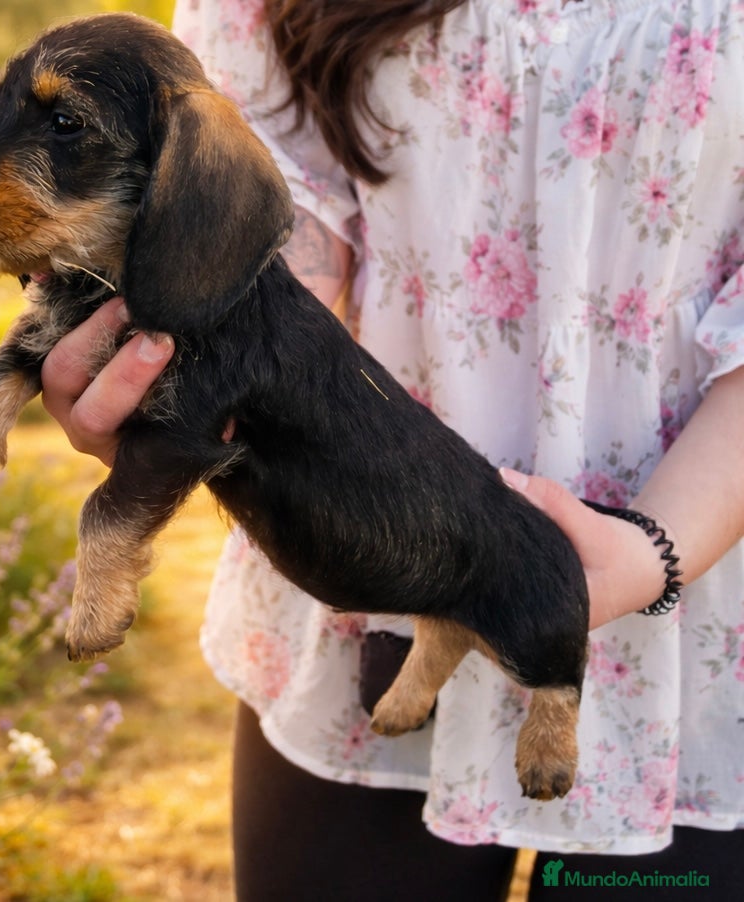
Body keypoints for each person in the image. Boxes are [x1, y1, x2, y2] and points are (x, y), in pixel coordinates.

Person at [42, 1, 744, 898]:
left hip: (698, 638)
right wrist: (177, 371)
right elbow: (274, 228)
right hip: (360, 577)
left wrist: (653, 550)